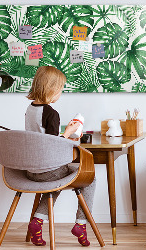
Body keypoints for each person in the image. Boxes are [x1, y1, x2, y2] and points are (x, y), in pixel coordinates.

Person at [25, 66, 95, 247]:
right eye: (61, 89)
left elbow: (42, 139)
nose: (61, 93)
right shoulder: (51, 113)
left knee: (55, 181)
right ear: (51, 89)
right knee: (90, 178)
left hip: (31, 170)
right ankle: (81, 224)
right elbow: (53, 145)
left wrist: (65, 134)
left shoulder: (30, 109)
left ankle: (37, 222)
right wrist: (69, 132)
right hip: (48, 170)